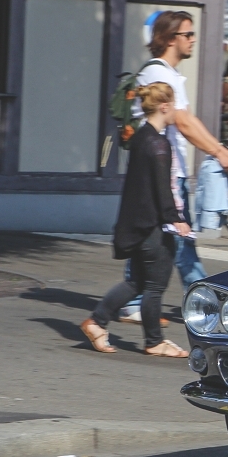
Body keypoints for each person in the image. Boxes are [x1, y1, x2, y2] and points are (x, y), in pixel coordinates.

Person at [115, 11, 228, 326]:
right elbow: (184, 123)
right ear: (171, 38)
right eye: (188, 34)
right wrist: (220, 152)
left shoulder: (166, 74)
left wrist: (219, 150)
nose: (193, 39)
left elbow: (185, 121)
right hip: (165, 172)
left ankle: (133, 302)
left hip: (164, 169)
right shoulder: (161, 76)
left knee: (153, 238)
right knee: (181, 240)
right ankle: (206, 307)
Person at [80, 82, 190, 359]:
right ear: (164, 106)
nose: (176, 109)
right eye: (174, 104)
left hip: (136, 223)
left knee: (137, 283)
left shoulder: (141, 137)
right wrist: (176, 219)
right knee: (154, 285)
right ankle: (154, 341)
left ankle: (96, 321)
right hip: (152, 225)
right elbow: (162, 187)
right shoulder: (159, 144)